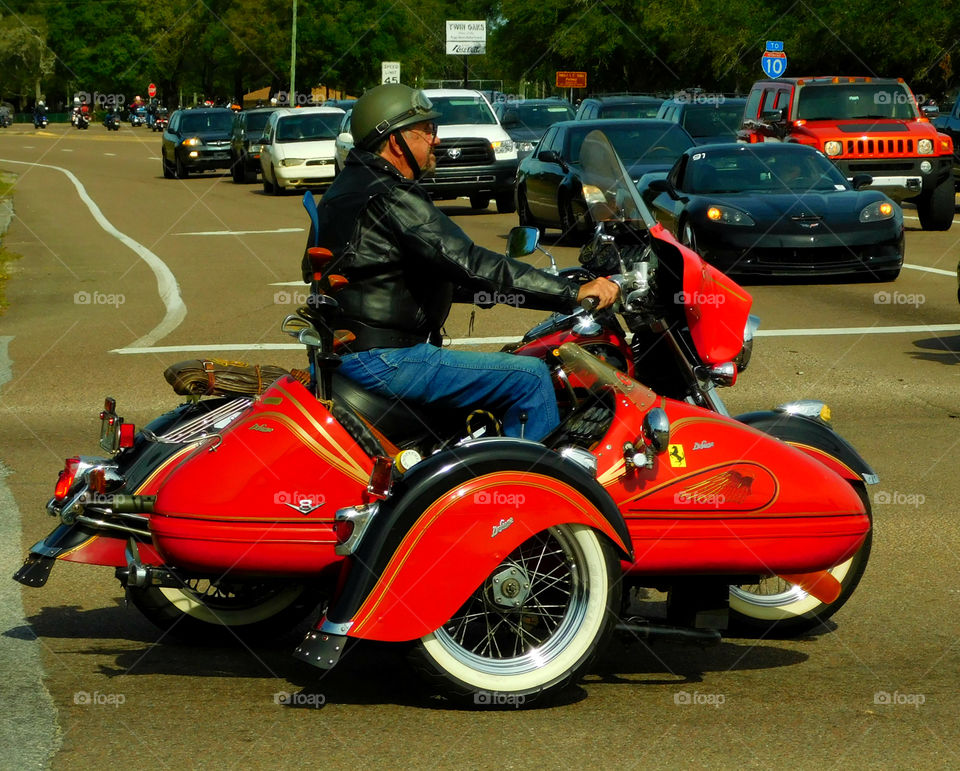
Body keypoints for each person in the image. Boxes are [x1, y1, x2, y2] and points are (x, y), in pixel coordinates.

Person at [302, 83, 618, 441]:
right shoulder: (392, 195)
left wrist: (502, 290)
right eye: (426, 131)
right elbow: (470, 261)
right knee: (530, 377)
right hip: (386, 358)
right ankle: (527, 490)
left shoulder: (347, 188)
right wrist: (571, 292)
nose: (436, 139)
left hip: (352, 352)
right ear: (395, 141)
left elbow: (396, 271)